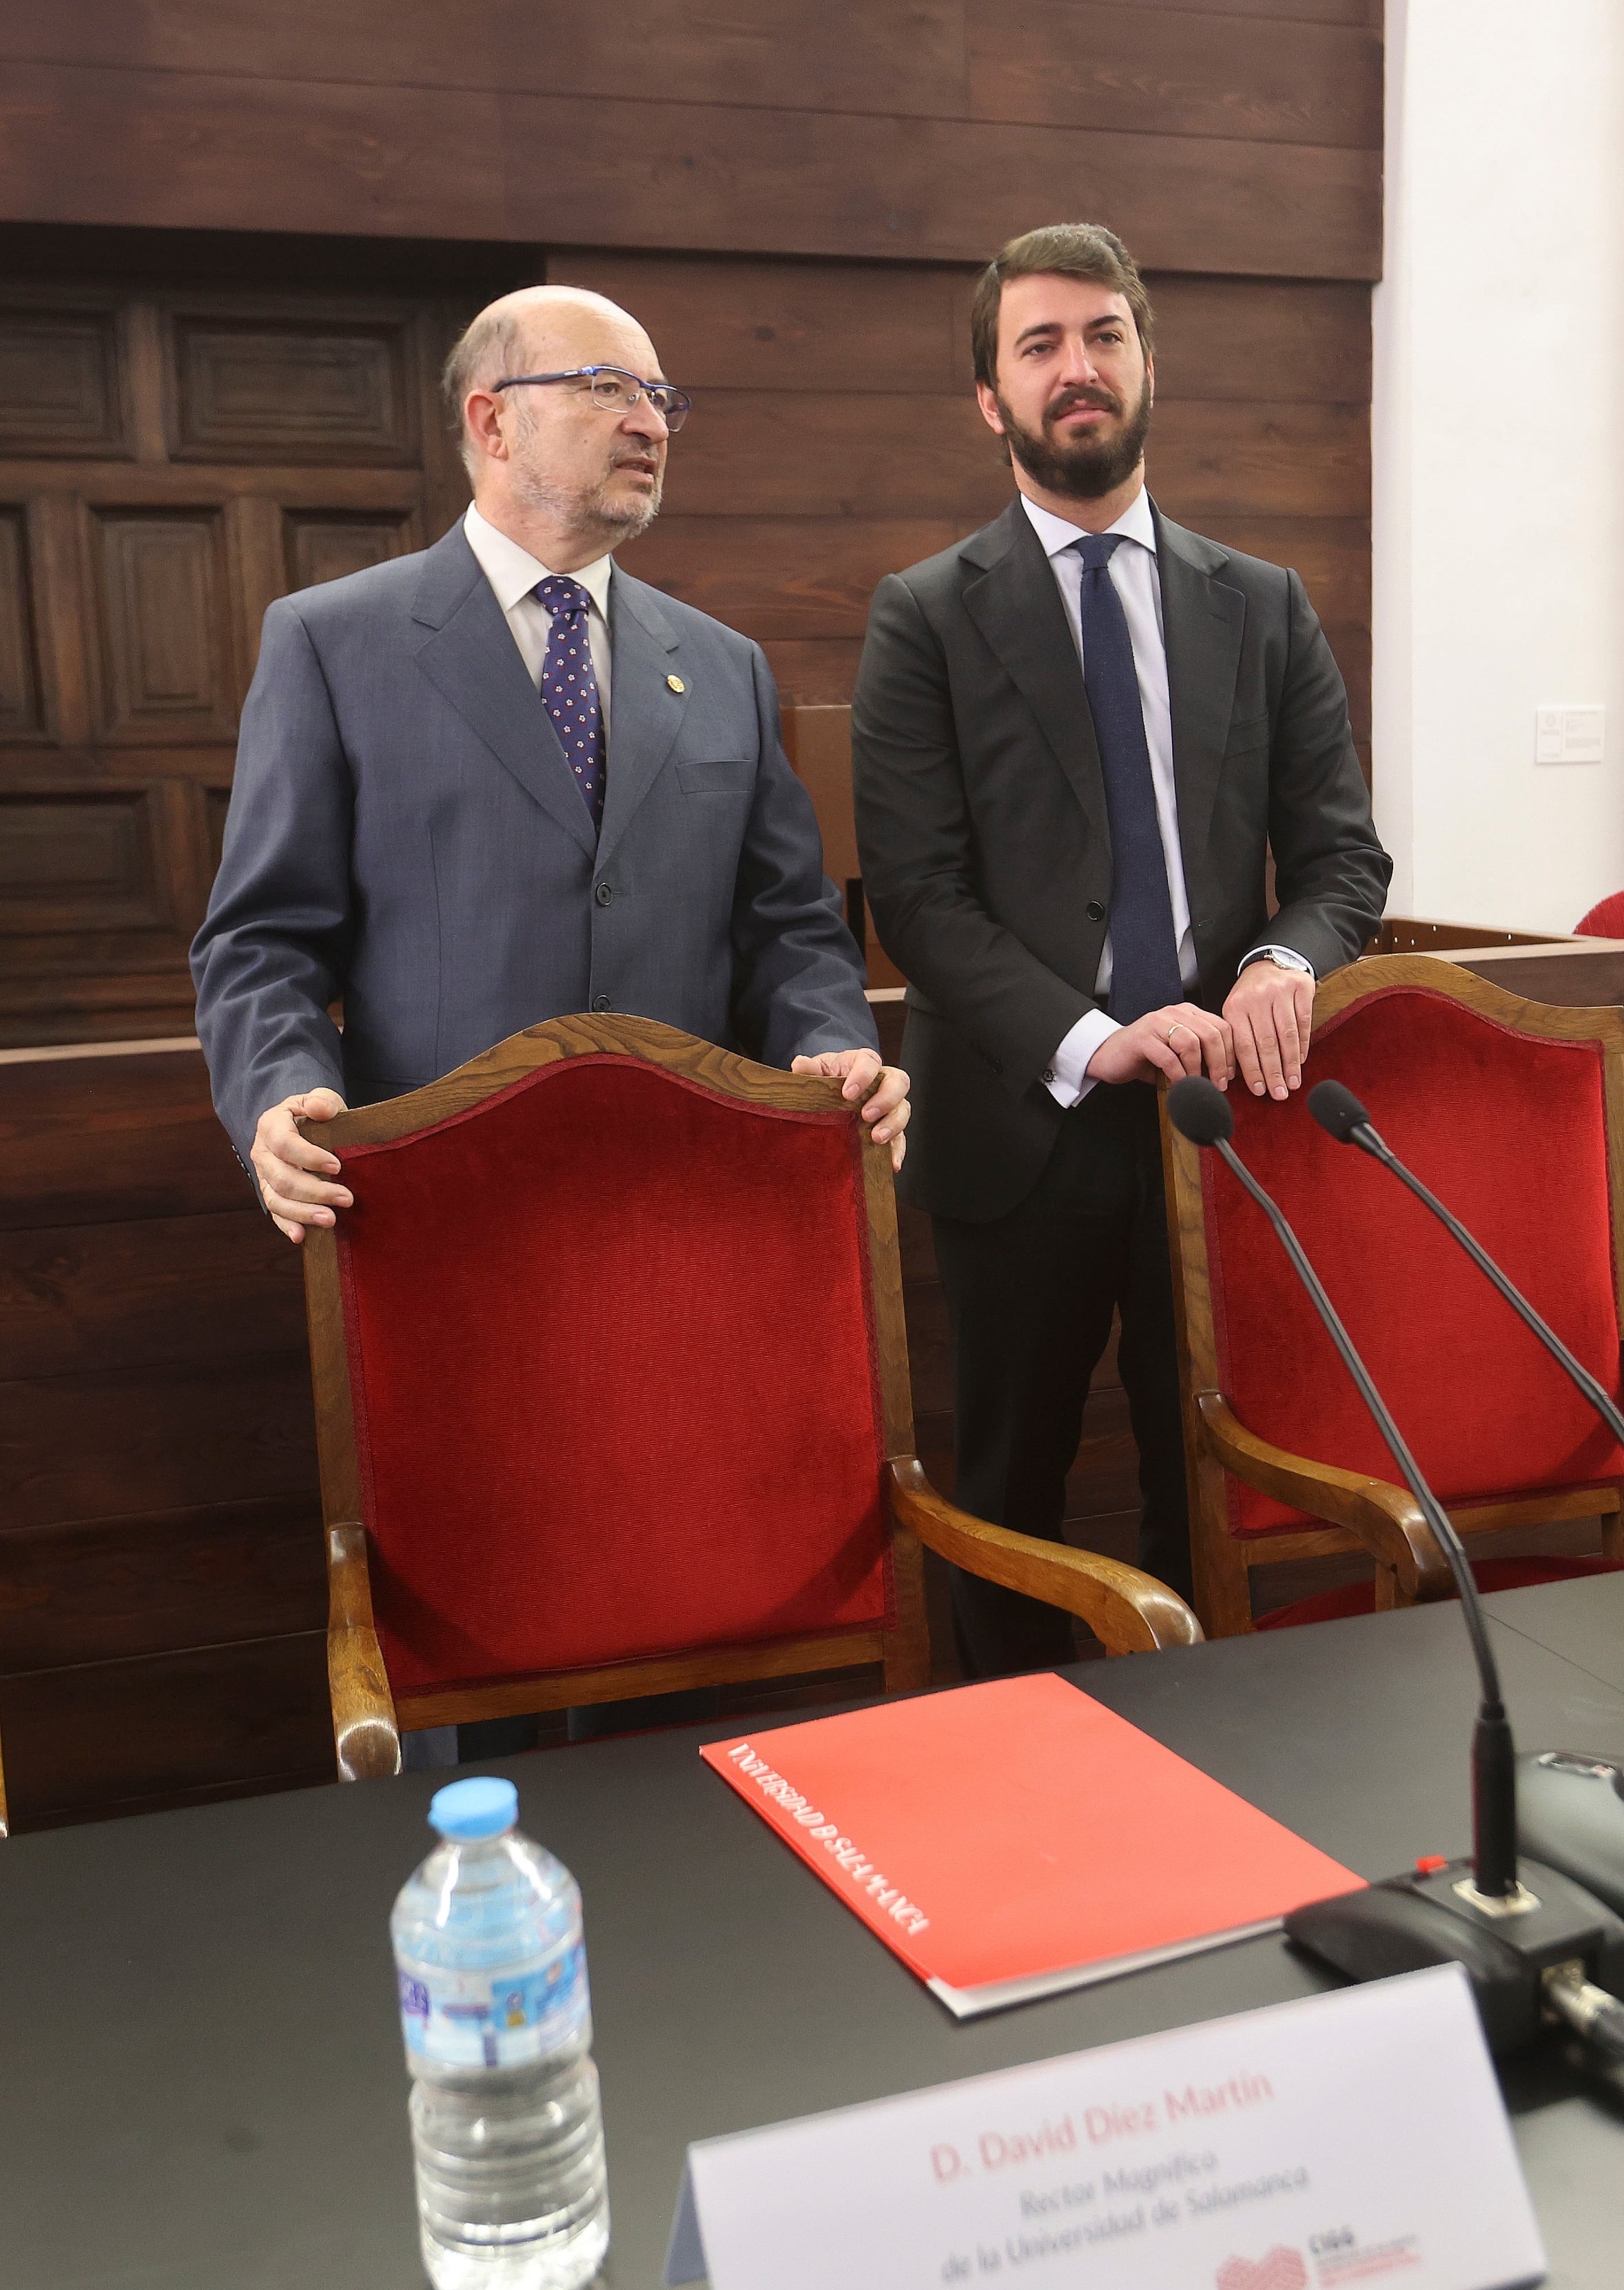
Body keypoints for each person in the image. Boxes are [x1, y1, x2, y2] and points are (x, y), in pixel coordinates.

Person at [853, 223, 1392, 1675]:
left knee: (1211, 1483)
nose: (1075, 369)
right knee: (1010, 1498)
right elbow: (914, 892)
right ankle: (1013, 1816)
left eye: (1102, 336)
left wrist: (1284, 961)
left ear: (1150, 364)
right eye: (1038, 346)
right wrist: (1096, 1038)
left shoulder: (1261, 605)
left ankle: (1221, 1793)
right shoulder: (923, 618)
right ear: (991, 399)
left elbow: (1342, 859)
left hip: (1223, 1124)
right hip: (1024, 1128)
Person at [192, 282, 906, 1243]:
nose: (650, 422)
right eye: (608, 388)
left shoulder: (722, 663)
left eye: (661, 399)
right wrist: (281, 1096)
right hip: (439, 1205)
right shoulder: (333, 644)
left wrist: (830, 1042)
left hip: (691, 1199)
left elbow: (790, 925)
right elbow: (262, 940)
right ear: (492, 420)